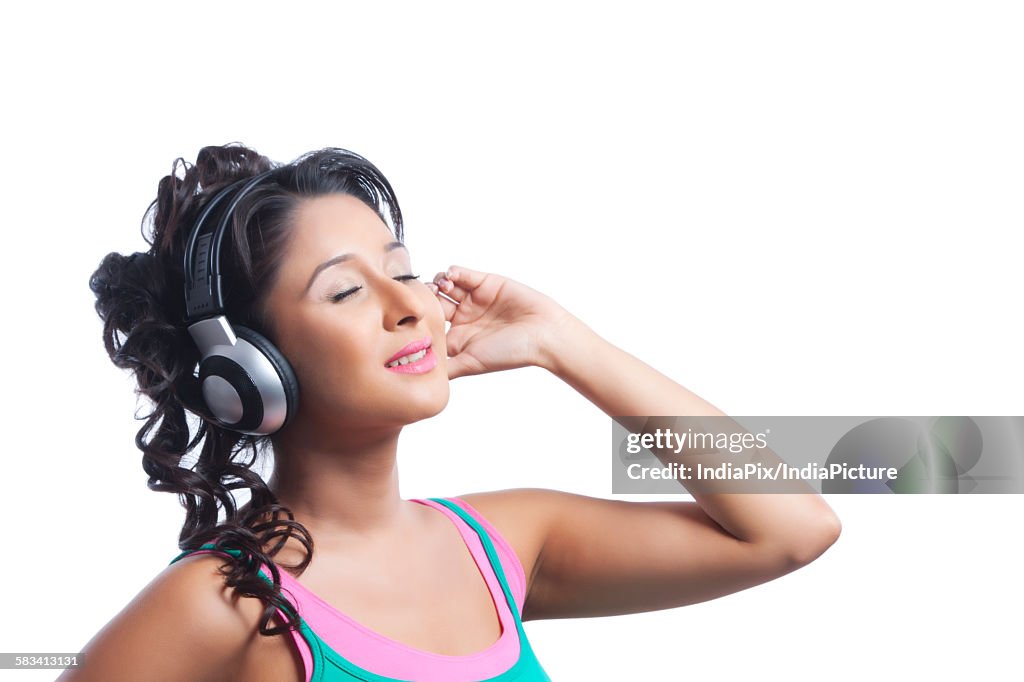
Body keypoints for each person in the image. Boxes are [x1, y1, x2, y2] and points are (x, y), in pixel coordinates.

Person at [66, 142, 841, 681]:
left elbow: (792, 528)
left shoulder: (504, 544)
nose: (409, 307)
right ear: (249, 368)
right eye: (346, 291)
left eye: (402, 270)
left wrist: (563, 344)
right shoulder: (217, 604)